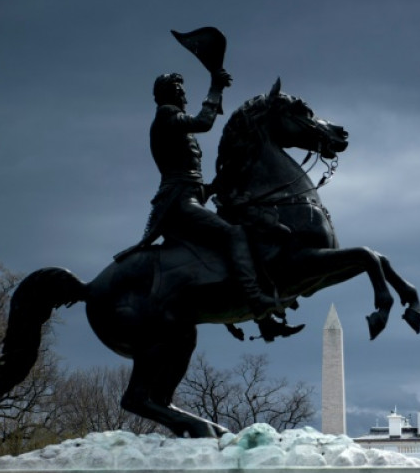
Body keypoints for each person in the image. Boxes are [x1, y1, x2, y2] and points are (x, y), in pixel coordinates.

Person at [119, 70, 298, 339]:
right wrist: (215, 88)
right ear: (166, 94)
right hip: (178, 202)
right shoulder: (166, 114)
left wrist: (220, 184)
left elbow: (190, 173)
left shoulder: (171, 121)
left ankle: (263, 317)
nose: (183, 93)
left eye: (182, 88)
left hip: (190, 195)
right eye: (178, 88)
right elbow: (204, 122)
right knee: (234, 233)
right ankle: (255, 299)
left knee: (238, 228)